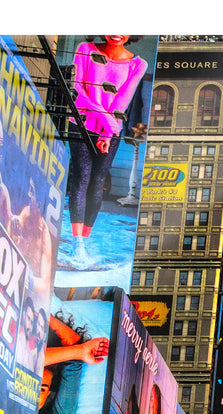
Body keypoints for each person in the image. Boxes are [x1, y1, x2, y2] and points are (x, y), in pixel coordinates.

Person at [63, 35, 148, 269]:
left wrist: (108, 133)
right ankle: (77, 244)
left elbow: (122, 101)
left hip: (111, 130)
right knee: (81, 177)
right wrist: (105, 120)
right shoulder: (85, 49)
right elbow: (78, 89)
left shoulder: (138, 64)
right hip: (81, 123)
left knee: (97, 181)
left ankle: (84, 241)